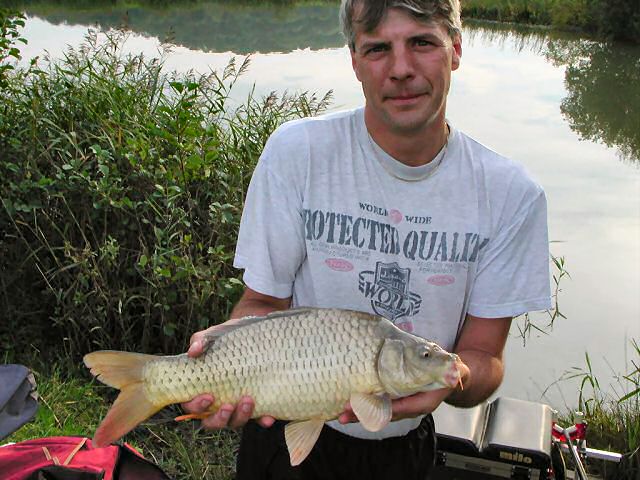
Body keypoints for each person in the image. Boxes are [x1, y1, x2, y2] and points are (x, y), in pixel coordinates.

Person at [183, 0, 552, 478]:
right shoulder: (298, 153)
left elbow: (484, 357)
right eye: (378, 49)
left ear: (455, 49)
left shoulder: (510, 195)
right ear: (354, 60)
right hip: (284, 431)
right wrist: (224, 362)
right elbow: (261, 304)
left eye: (422, 42)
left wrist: (450, 379)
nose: (401, 69)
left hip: (402, 449)